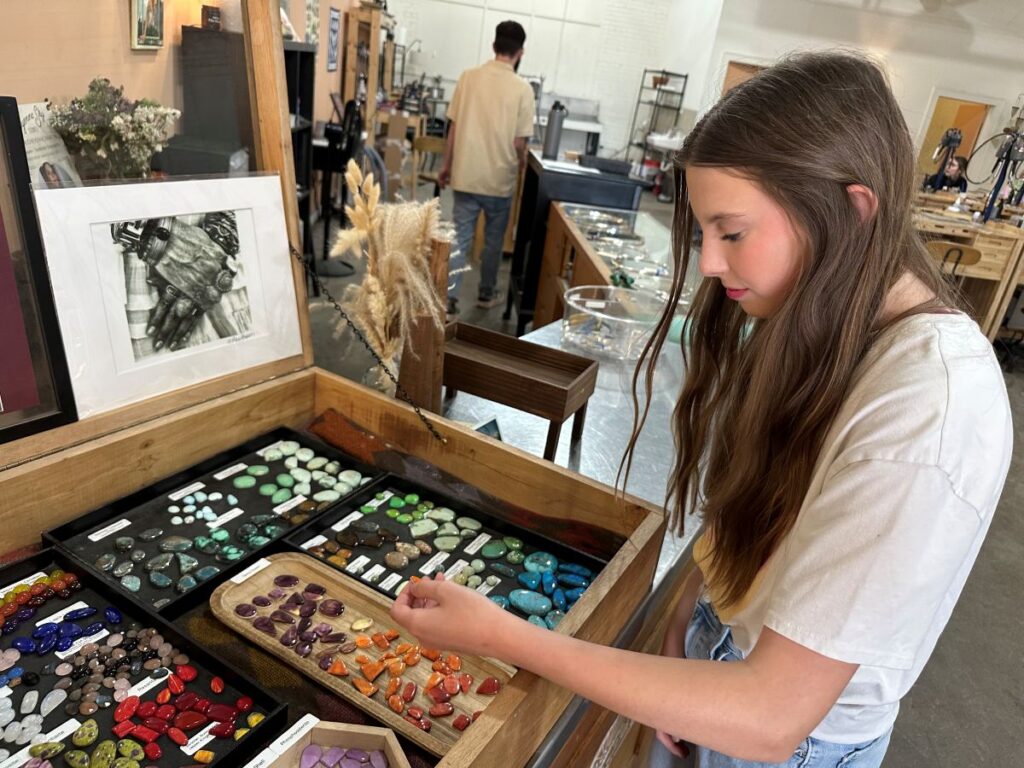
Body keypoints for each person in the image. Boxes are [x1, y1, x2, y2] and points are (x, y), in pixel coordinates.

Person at [391, 51, 1011, 768]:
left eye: (733, 232)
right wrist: (690, 609)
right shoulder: (822, 308)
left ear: (850, 211)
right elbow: (768, 501)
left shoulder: (928, 411)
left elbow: (771, 718)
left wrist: (502, 636)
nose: (710, 263)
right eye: (704, 233)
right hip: (715, 660)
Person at [439, 20, 535, 315]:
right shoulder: (523, 90)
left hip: (466, 175)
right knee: (493, 242)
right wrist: (521, 163)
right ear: (520, 53)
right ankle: (486, 293)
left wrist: (446, 165)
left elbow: (453, 128)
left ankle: (449, 298)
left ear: (494, 46)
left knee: (460, 237)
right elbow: (519, 142)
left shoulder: (468, 78)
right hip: (499, 181)